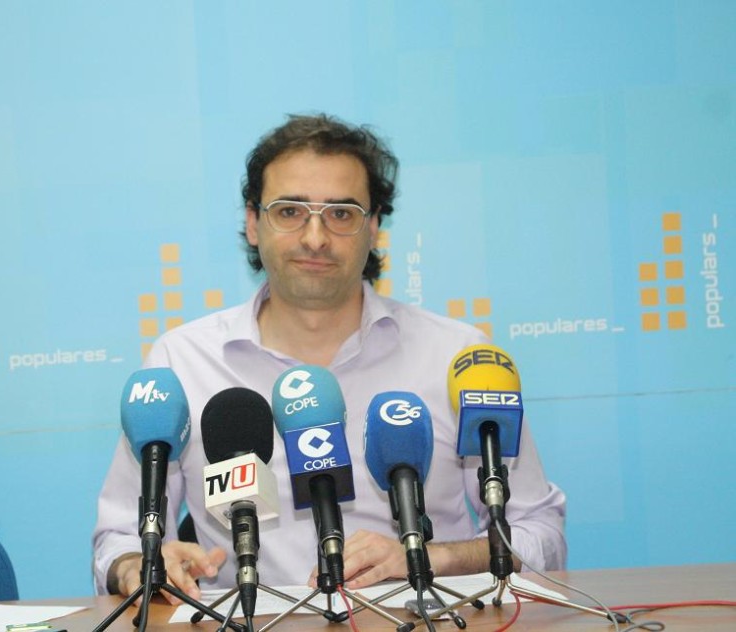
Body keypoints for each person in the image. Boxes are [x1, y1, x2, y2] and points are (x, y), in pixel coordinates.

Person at [93, 113, 566, 604]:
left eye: (341, 214)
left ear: (374, 227)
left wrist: (429, 557)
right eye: (289, 211)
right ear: (253, 223)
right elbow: (118, 540)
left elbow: (540, 534)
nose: (315, 238)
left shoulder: (456, 357)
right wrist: (142, 565)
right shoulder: (182, 360)